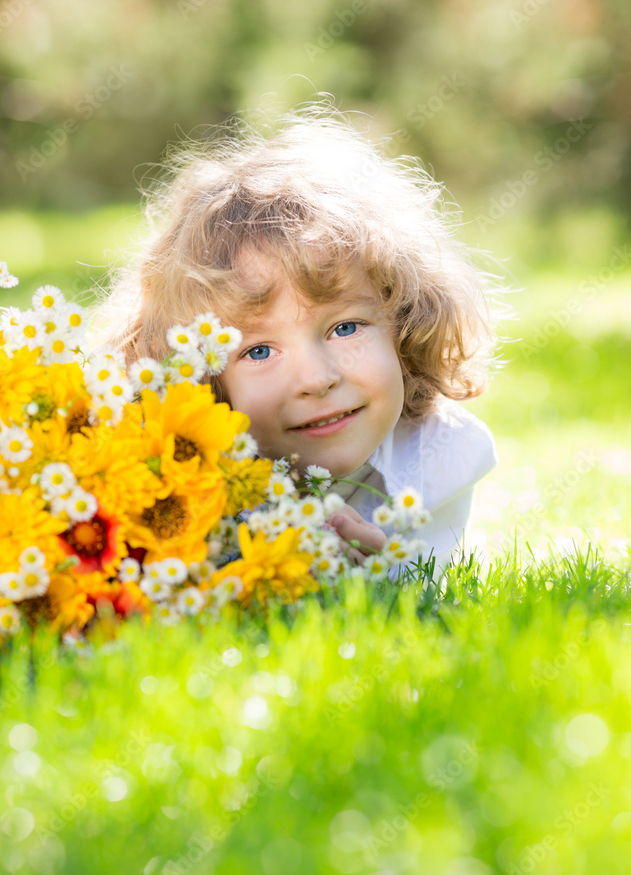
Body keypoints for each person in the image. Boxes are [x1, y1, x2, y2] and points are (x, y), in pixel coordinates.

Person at [95, 105, 514, 577]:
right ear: (204, 381)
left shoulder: (444, 455)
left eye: (345, 327)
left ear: (404, 321)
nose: (316, 379)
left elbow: (416, 592)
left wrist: (368, 578)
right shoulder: (177, 485)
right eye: (258, 351)